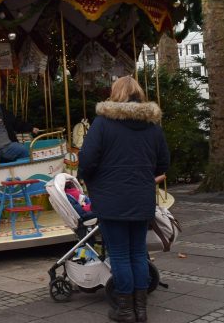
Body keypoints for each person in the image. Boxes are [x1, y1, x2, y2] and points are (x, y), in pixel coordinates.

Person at [78, 76, 170, 323]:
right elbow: (163, 163)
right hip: (141, 197)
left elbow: (87, 159)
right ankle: (141, 310)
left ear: (115, 94)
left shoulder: (103, 123)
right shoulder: (153, 126)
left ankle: (126, 310)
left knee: (119, 254)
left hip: (110, 197)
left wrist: (86, 178)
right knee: (138, 253)